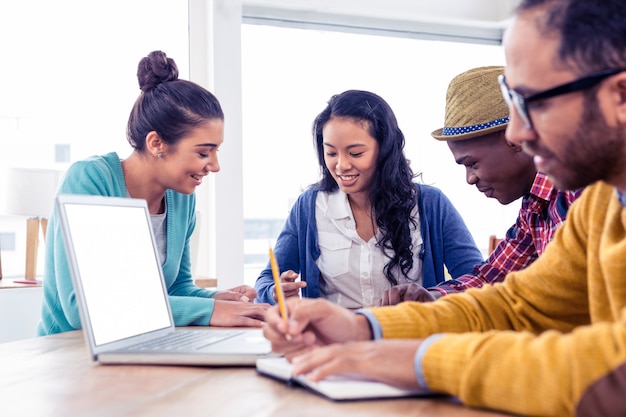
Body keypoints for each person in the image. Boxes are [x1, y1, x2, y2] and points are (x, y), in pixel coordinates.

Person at [262, 0, 626, 415]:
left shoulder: (435, 203)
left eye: (534, 102)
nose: (519, 132)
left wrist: (417, 361)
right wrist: (364, 327)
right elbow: (514, 304)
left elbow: (614, 370)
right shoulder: (599, 202)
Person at [38, 50, 268, 336]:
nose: (215, 165)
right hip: (69, 353)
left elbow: (177, 288)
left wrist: (219, 300)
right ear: (157, 142)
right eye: (203, 152)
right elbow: (81, 309)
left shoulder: (182, 197)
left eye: (216, 151)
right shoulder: (91, 181)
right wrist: (210, 311)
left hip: (140, 343)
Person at [254, 90, 483, 309]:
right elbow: (266, 280)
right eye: (331, 153)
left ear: (384, 150)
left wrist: (433, 298)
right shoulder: (309, 207)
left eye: (355, 153)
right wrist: (276, 292)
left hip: (407, 339)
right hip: (334, 343)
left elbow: (479, 280)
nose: (341, 165)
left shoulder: (431, 205)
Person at [381, 65, 583, 304]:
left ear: (515, 139)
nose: (470, 179)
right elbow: (493, 276)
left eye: (472, 164)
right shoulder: (534, 207)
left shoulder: (581, 192)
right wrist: (432, 296)